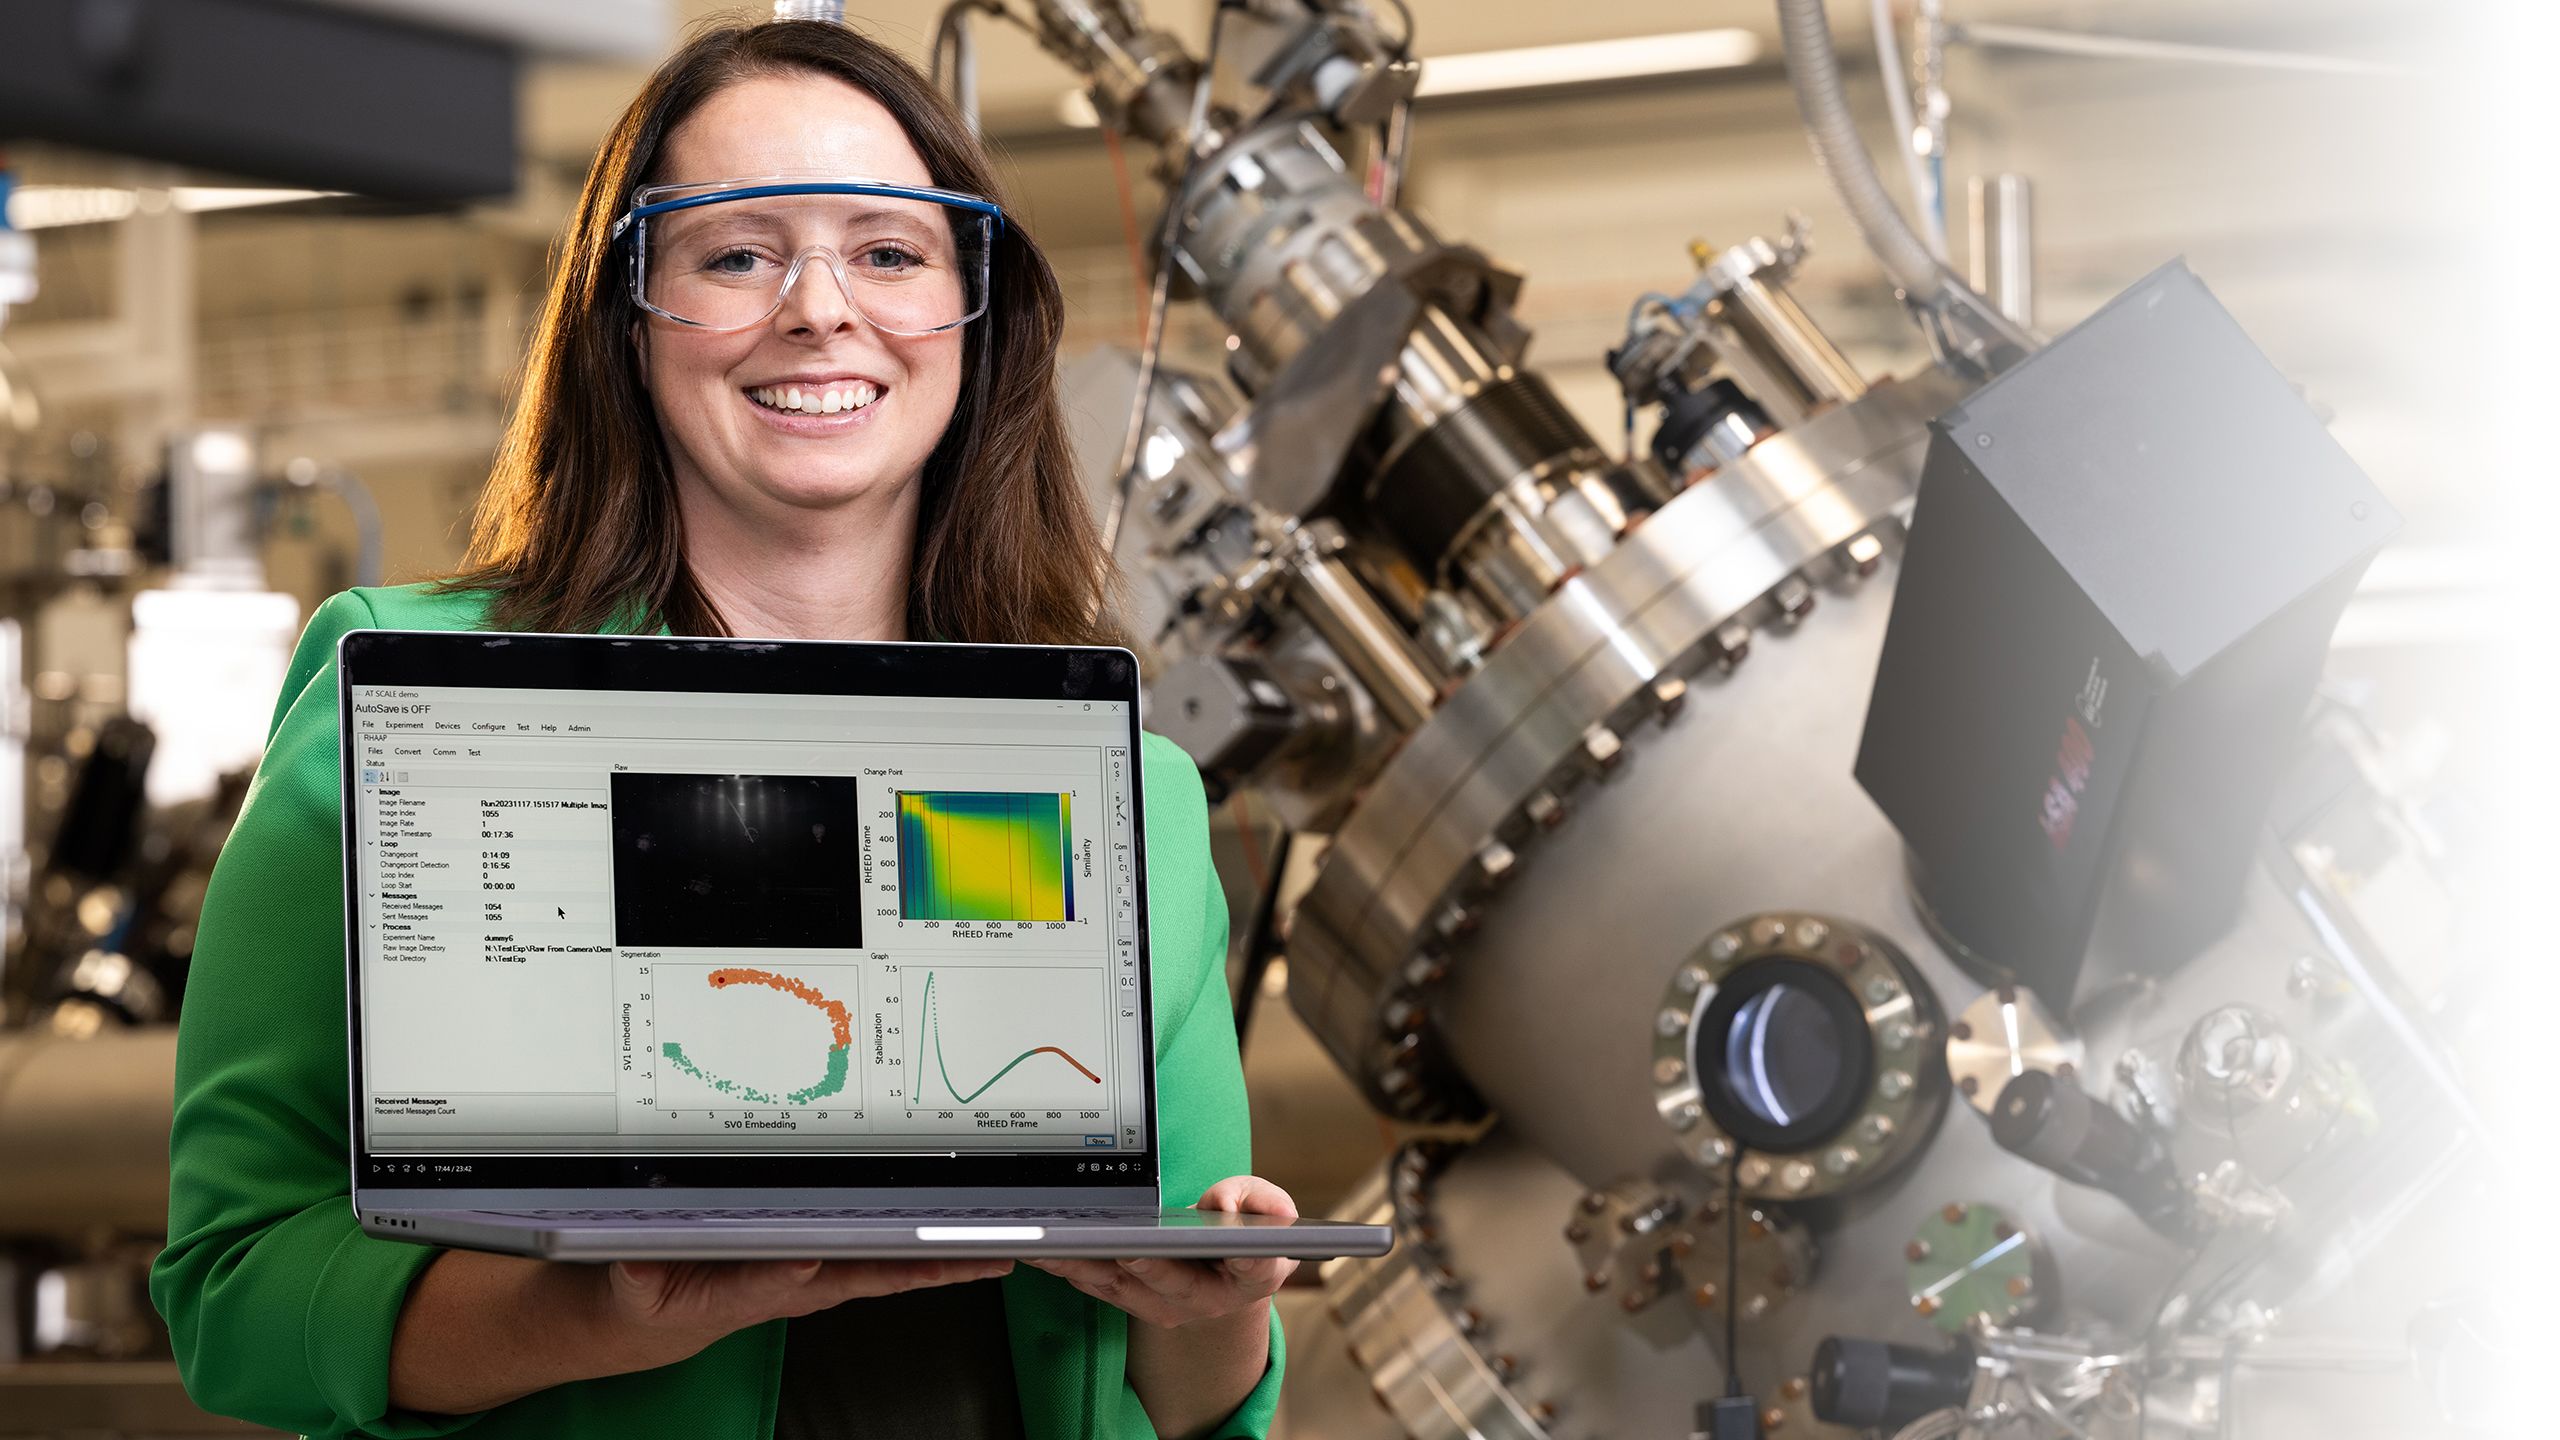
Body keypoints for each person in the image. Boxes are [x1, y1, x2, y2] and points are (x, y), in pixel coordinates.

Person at [148, 19, 1298, 1440]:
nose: (821, 311)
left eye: (890, 254)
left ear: (974, 314)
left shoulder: (1129, 790)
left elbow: (1190, 1405)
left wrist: (1225, 1291)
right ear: (629, 317)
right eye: (737, 255)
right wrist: (589, 1315)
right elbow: (238, 1294)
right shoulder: (418, 699)